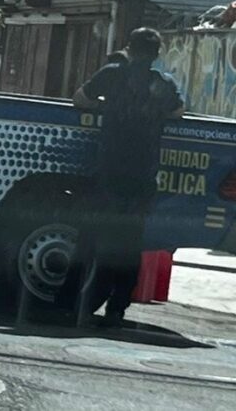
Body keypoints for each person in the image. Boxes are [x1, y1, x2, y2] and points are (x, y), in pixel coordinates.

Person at [67, 28, 184, 327]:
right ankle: (117, 308)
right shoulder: (163, 83)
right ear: (156, 54)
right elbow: (178, 112)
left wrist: (104, 106)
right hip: (142, 176)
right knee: (130, 244)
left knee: (94, 237)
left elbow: (80, 99)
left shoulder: (112, 74)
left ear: (129, 49)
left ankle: (81, 303)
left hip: (110, 171)